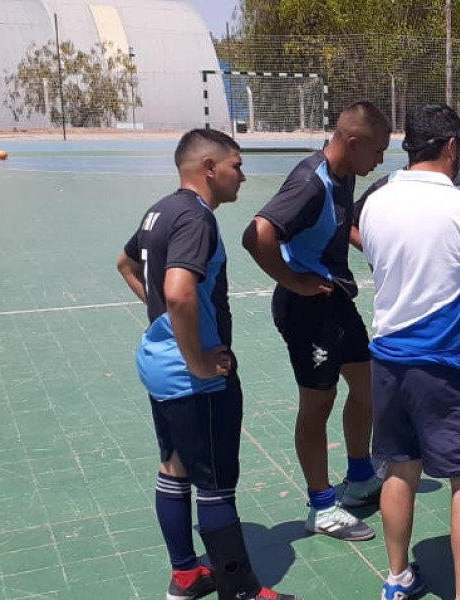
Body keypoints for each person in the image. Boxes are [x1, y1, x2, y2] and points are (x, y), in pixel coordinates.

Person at [115, 129, 298, 600]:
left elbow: (127, 264)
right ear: (210, 167)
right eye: (237, 165)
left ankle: (186, 574)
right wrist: (196, 358)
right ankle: (240, 592)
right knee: (216, 483)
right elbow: (177, 291)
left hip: (158, 365)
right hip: (194, 378)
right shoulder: (196, 219)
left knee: (174, 469)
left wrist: (164, 324)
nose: (243, 175)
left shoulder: (161, 210)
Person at [359, 103, 460, 600]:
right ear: (452, 146)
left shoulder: (375, 203)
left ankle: (397, 577)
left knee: (398, 469)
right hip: (449, 364)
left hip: (388, 359)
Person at [241, 102, 391, 542]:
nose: (381, 160)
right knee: (318, 404)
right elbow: (257, 235)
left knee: (366, 387)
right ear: (353, 141)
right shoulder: (310, 182)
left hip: (336, 301)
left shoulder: (345, 175)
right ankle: (321, 506)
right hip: (306, 310)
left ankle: (360, 475)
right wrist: (294, 281)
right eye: (378, 150)